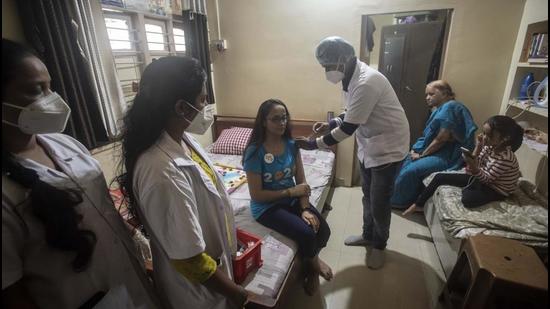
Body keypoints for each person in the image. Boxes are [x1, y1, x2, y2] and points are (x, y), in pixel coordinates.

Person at [1, 39, 159, 308]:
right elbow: (10, 288)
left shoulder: (64, 143)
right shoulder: (7, 193)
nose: (52, 99)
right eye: (35, 90)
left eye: (50, 87)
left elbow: (99, 207)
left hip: (130, 283)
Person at [117, 56, 250, 309]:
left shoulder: (183, 139)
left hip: (214, 267)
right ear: (181, 107)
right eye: (202, 99)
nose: (207, 105)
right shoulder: (161, 171)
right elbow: (189, 260)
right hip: (197, 295)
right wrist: (237, 293)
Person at [295, 36, 410, 269]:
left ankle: (379, 245)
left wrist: (314, 144)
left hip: (388, 148)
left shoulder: (367, 81)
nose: (327, 71)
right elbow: (350, 112)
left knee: (379, 202)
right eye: (323, 66)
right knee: (367, 195)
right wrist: (331, 124)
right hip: (371, 145)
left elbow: (348, 128)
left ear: (345, 58)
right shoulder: (349, 77)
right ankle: (368, 235)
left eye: (329, 65)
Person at [242, 99, 332, 295]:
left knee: (323, 230)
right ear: (264, 122)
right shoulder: (255, 152)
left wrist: (305, 208)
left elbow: (301, 181)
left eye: (284, 118)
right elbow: (256, 194)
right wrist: (291, 192)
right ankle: (313, 269)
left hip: (292, 198)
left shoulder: (292, 145)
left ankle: (312, 257)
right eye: (276, 119)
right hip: (266, 207)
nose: (282, 122)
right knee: (307, 234)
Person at [402, 115, 523, 216]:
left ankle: (473, 188)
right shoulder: (489, 146)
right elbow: (478, 162)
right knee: (439, 177)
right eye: (484, 133)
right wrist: (478, 148)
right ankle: (418, 205)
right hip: (482, 178)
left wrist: (473, 167)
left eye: (489, 136)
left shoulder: (505, 158)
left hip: (495, 188)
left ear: (504, 139)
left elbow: (487, 178)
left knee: (468, 200)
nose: (484, 137)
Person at [390, 80, 477, 209]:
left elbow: (442, 138)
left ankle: (399, 202)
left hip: (448, 155)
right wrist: (417, 150)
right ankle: (400, 196)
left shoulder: (451, 107)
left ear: (444, 93)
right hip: (439, 151)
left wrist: (422, 155)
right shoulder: (440, 109)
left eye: (431, 94)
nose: (427, 98)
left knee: (411, 170)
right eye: (426, 94)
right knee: (406, 161)